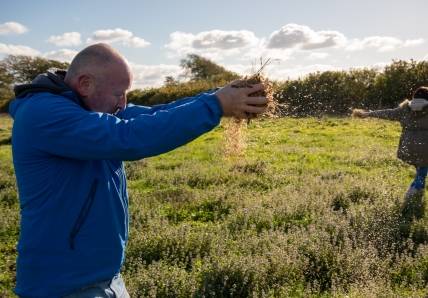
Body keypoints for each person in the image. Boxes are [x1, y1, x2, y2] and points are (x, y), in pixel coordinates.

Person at [9, 43, 270, 298]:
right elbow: (129, 137)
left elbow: (155, 114)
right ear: (85, 84)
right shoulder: (44, 113)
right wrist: (214, 106)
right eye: (118, 93)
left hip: (104, 278)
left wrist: (222, 96)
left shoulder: (88, 107)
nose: (123, 104)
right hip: (64, 287)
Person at [356, 86, 428, 199]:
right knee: (422, 174)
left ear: (414, 96)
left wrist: (369, 114)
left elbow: (388, 113)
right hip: (425, 145)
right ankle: (411, 193)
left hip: (407, 144)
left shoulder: (403, 109)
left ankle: (419, 197)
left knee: (420, 172)